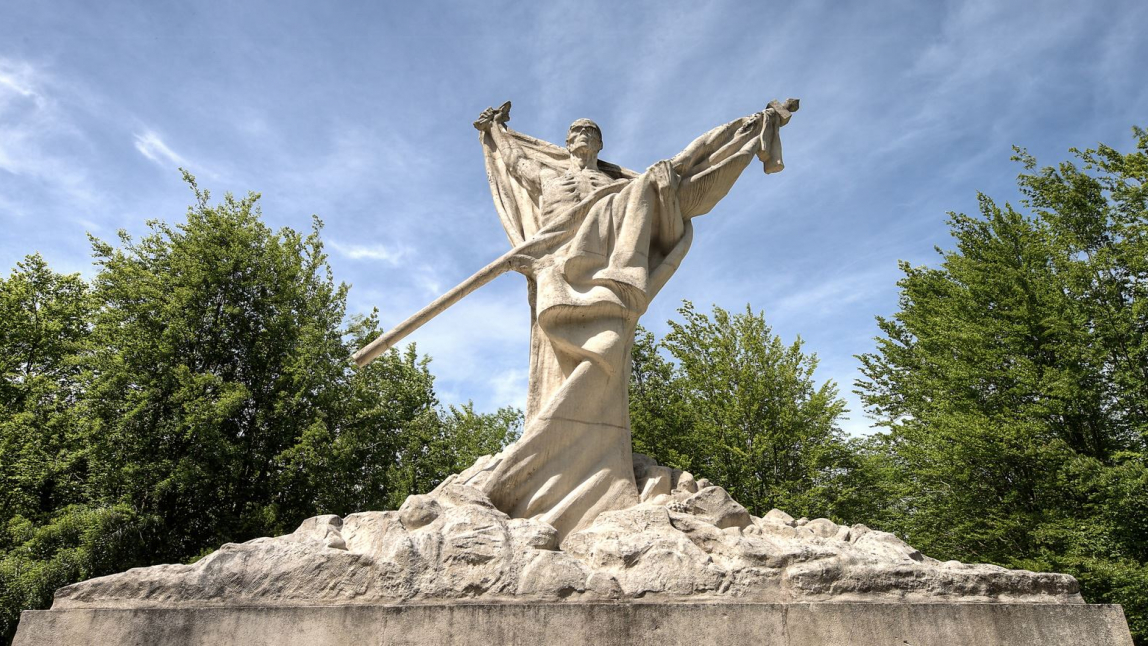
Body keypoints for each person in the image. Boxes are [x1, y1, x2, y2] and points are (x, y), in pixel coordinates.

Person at [466, 100, 795, 542]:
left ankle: (749, 132)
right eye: (577, 132)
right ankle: (541, 472)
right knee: (561, 358)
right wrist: (497, 132)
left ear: (600, 144)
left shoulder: (619, 185)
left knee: (660, 178)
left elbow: (683, 178)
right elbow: (514, 162)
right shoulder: (548, 177)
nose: (583, 135)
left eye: (591, 132)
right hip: (559, 275)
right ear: (566, 144)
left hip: (607, 281)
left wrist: (747, 131)